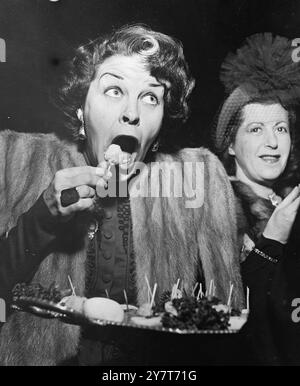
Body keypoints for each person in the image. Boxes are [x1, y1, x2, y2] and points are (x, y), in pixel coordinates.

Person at [0, 24, 243, 365]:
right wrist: (42, 218)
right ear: (81, 111)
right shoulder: (15, 161)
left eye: (150, 96)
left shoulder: (194, 184)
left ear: (159, 129)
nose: (132, 112)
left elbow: (224, 317)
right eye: (114, 90)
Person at [213, 33, 300, 365]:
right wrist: (272, 241)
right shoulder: (217, 208)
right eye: (255, 129)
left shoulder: (289, 203)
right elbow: (231, 316)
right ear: (231, 144)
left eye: (280, 129)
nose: (273, 143)